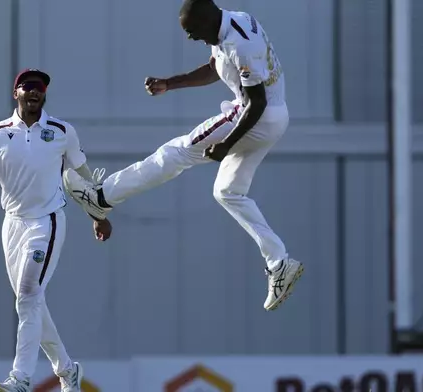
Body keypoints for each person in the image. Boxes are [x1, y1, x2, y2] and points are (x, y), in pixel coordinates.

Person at [63, 0, 303, 311]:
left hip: (255, 116)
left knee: (177, 152)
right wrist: (169, 84)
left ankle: (103, 196)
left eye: (192, 31)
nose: (190, 38)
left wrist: (227, 145)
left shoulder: (240, 43)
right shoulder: (232, 24)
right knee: (227, 192)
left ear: (207, 19)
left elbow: (255, 103)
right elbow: (215, 68)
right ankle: (279, 261)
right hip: (274, 117)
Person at [0, 68, 112, 392]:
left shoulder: (61, 131)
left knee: (29, 295)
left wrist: (98, 214)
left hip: (48, 220)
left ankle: (21, 378)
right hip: (12, 224)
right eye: (28, 87)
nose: (35, 92)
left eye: (40, 88)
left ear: (45, 95)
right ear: (15, 93)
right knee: (31, 302)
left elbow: (84, 175)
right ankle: (68, 370)